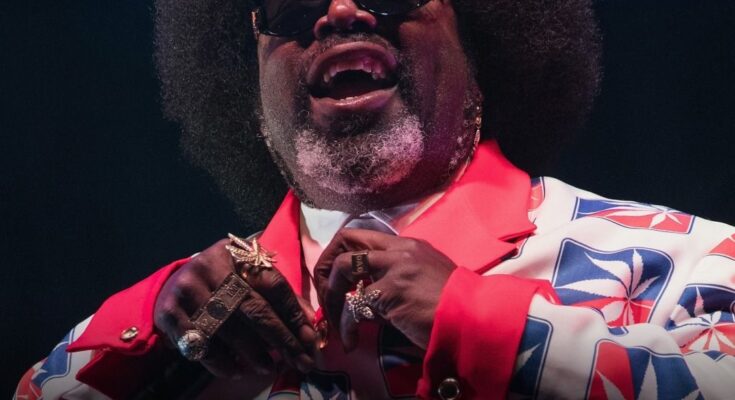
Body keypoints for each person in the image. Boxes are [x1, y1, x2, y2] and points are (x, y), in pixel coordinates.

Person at [14, 0, 735, 398]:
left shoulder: (684, 258)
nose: (339, 10)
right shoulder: (175, 335)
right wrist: (149, 328)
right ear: (248, 94)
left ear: (479, 52)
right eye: (291, 4)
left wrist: (472, 319)